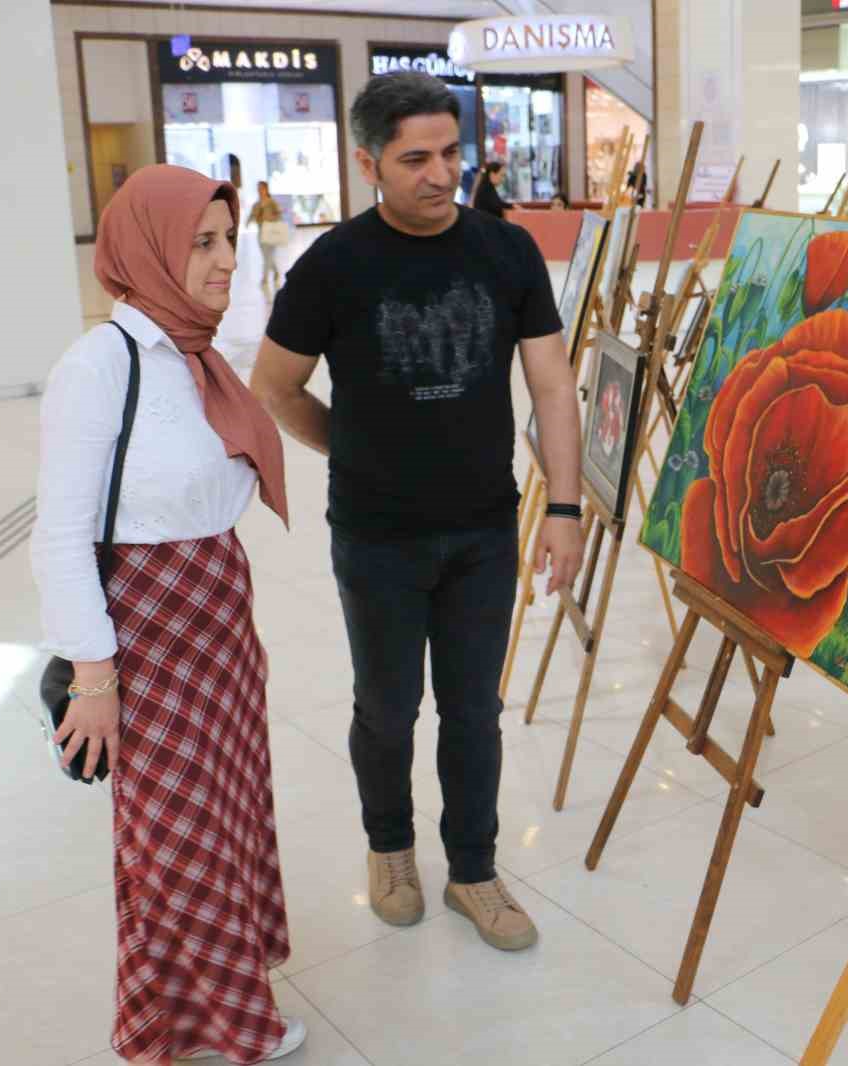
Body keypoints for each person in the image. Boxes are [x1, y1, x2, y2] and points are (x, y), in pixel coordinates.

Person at [250, 71, 584, 953]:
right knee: (387, 707)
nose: (441, 174)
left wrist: (566, 505)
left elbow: (551, 383)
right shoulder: (333, 265)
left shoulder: (506, 252)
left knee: (475, 707)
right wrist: (352, 448)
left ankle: (473, 869)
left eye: (450, 153)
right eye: (415, 159)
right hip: (376, 534)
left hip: (484, 528)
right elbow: (275, 388)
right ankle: (389, 848)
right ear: (368, 163)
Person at [30, 165, 304, 1065]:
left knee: (223, 815)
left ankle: (172, 1013)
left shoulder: (194, 355)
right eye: (204, 243)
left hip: (216, 620)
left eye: (230, 240)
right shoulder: (101, 365)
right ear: (149, 249)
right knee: (171, 836)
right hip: (145, 632)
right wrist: (96, 681)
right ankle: (234, 1022)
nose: (229, 262)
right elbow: (61, 537)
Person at [247, 179, 287, 292]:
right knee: (266, 255)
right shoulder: (257, 204)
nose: (260, 191)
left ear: (266, 189)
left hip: (271, 230)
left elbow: (279, 213)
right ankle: (276, 272)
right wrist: (248, 222)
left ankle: (264, 278)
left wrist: (274, 219)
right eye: (258, 189)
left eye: (261, 188)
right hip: (261, 231)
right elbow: (252, 215)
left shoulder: (271, 202)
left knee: (268, 255)